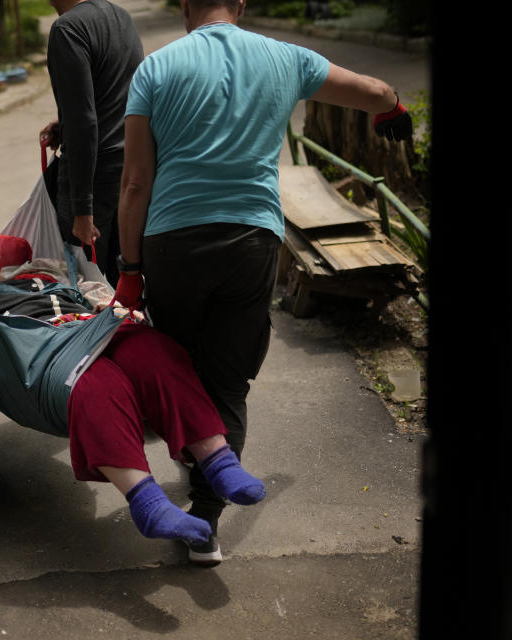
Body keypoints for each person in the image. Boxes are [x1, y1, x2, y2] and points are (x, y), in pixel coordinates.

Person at [113, 0, 413, 565]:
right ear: (242, 5)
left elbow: (134, 183)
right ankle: (205, 520)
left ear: (184, 7)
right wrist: (393, 106)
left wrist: (130, 270)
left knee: (179, 365)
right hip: (250, 241)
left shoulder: (155, 68)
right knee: (228, 376)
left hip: (172, 241)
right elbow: (372, 90)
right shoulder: (287, 58)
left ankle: (196, 460)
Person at [0, 315, 266, 548]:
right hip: (44, 347)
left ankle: (220, 462)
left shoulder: (64, 275)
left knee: (154, 352)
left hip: (97, 325)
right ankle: (147, 503)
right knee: (92, 382)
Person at [40, 0, 144, 288]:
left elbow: (84, 122)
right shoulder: (121, 17)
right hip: (130, 169)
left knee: (86, 290)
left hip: (91, 178)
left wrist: (82, 212)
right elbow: (122, 94)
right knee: (121, 280)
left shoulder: (67, 29)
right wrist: (66, 127)